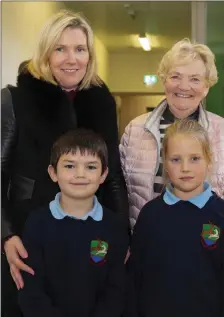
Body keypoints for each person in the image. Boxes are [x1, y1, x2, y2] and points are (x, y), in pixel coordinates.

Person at [1, 9, 129, 317]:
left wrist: (122, 234)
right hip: (25, 241)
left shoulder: (101, 102)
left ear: (89, 55)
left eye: (79, 49)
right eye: (60, 48)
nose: (71, 58)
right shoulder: (14, 100)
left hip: (87, 240)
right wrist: (5, 236)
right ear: (45, 52)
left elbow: (113, 176)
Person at [17, 128, 129, 317]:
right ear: (53, 173)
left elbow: (116, 290)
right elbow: (31, 290)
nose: (80, 174)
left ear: (103, 175)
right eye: (69, 166)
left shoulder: (115, 226)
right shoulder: (37, 223)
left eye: (91, 167)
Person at [120, 38, 224, 230]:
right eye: (175, 76)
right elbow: (120, 191)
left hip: (207, 247)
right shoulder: (135, 129)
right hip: (146, 242)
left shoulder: (221, 132)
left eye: (195, 79)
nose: (184, 86)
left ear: (207, 86)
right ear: (163, 79)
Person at [125, 119, 224, 317]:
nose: (185, 168)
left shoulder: (221, 215)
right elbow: (134, 277)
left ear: (209, 159)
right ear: (165, 162)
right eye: (176, 159)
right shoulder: (150, 215)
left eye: (195, 158)